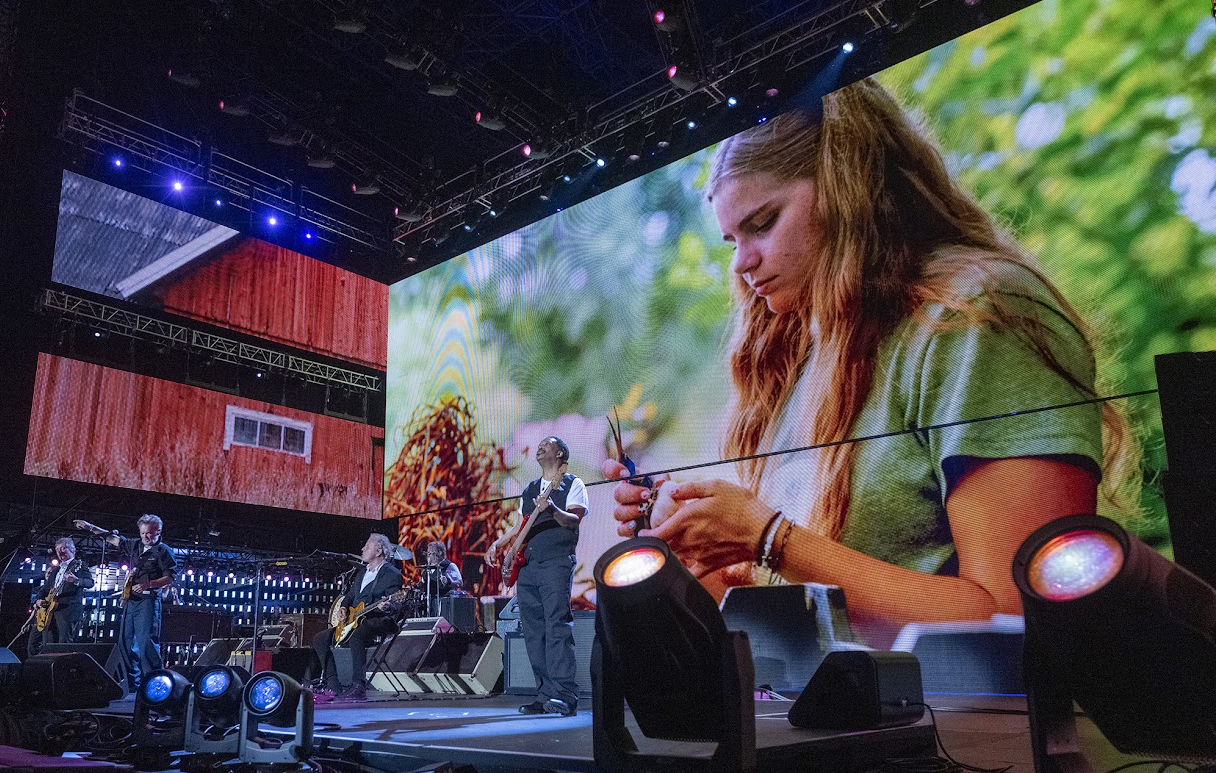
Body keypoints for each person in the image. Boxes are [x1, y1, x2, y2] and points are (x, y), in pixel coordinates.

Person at [606, 78, 1131, 649]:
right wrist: (694, 551)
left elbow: (1016, 622)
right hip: (835, 728)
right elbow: (817, 614)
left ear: (848, 187)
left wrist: (770, 538)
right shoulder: (795, 359)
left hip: (970, 736)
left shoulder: (974, 317)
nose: (742, 264)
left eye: (762, 223)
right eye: (732, 239)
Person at [485, 436, 588, 716]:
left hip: (555, 562)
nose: (540, 446)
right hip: (528, 567)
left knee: (557, 626)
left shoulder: (572, 484)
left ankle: (564, 696)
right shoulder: (530, 489)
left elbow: (575, 520)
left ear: (560, 453)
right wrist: (500, 544)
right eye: (539, 444)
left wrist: (552, 510)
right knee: (534, 632)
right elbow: (522, 526)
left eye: (547, 444)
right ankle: (544, 696)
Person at [74, 515, 176, 694]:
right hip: (131, 600)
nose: (146, 537)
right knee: (125, 641)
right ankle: (133, 686)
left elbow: (169, 577)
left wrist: (148, 584)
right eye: (143, 533)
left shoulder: (163, 551)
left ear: (158, 532)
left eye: (150, 533)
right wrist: (90, 526)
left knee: (145, 643)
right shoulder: (135, 545)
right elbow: (112, 538)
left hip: (148, 600)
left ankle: (156, 684)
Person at [312, 533, 404, 701]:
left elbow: (396, 603)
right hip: (355, 619)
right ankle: (333, 686)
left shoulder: (392, 573)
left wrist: (387, 605)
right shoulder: (361, 573)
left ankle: (358, 685)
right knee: (320, 638)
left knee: (358, 634)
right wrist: (344, 608)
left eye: (367, 546)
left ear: (378, 551)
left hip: (379, 619)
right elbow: (349, 596)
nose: (362, 549)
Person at [27, 537, 95, 657]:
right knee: (47, 644)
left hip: (67, 610)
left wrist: (76, 580)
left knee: (63, 645)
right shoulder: (55, 570)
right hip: (50, 611)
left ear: (72, 549)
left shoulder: (79, 565)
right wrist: (38, 600)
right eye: (57, 549)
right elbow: (45, 589)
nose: (60, 552)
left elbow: (90, 582)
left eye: (63, 548)